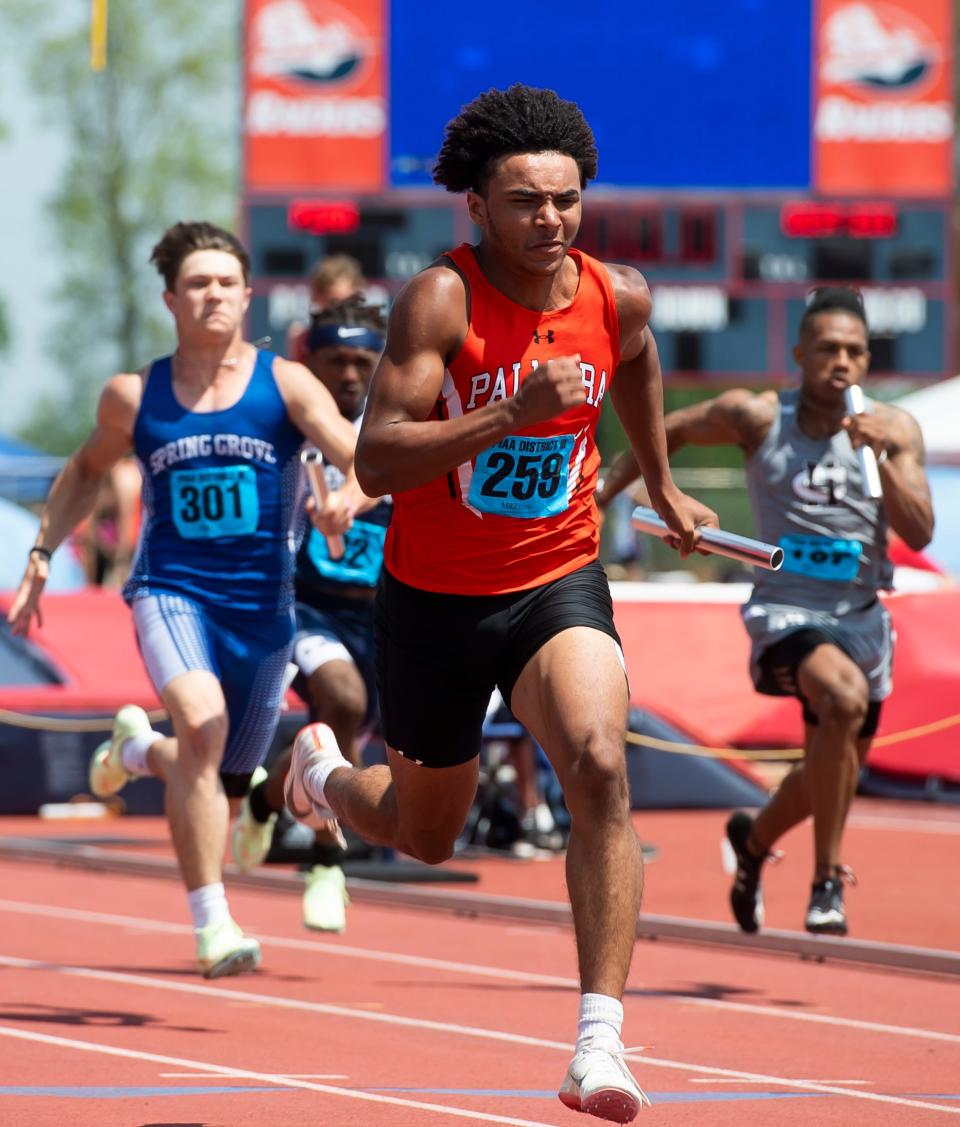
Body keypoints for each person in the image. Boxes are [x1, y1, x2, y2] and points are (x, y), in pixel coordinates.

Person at [281, 84, 717, 1123]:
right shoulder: (441, 299)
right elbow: (379, 458)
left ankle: (599, 1039)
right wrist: (507, 415)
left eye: (567, 200)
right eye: (524, 201)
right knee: (425, 833)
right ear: (476, 205)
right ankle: (325, 777)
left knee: (600, 760)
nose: (550, 221)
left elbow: (641, 365)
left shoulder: (618, 295)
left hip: (553, 577)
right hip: (431, 600)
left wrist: (656, 478)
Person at [7, 221, 361, 978]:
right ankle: (214, 923)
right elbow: (82, 472)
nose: (213, 296)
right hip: (172, 591)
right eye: (198, 283)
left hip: (264, 610)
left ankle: (133, 749)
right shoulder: (136, 395)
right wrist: (41, 551)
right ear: (171, 298)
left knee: (223, 776)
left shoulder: (286, 384)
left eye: (227, 282)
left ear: (247, 293)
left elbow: (356, 455)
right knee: (202, 725)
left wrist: (349, 500)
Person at [598, 286, 934, 937]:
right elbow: (665, 429)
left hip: (863, 619)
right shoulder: (758, 418)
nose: (841, 361)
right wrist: (604, 493)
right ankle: (827, 881)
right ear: (800, 352)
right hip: (786, 613)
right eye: (828, 348)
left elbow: (918, 530)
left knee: (827, 773)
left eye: (855, 352)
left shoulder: (893, 430)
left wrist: (884, 460)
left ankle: (752, 841)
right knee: (839, 698)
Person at [231, 295, 391, 933]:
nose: (349, 375)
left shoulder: (397, 433)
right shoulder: (287, 436)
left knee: (346, 740)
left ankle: (270, 797)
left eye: (362, 361)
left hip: (383, 618)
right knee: (342, 702)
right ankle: (328, 861)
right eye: (335, 362)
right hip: (306, 608)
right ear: (309, 362)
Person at [286, 255, 366, 361]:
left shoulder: (375, 338)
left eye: (344, 301)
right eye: (332, 302)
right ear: (316, 297)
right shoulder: (300, 338)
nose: (338, 309)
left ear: (358, 295)